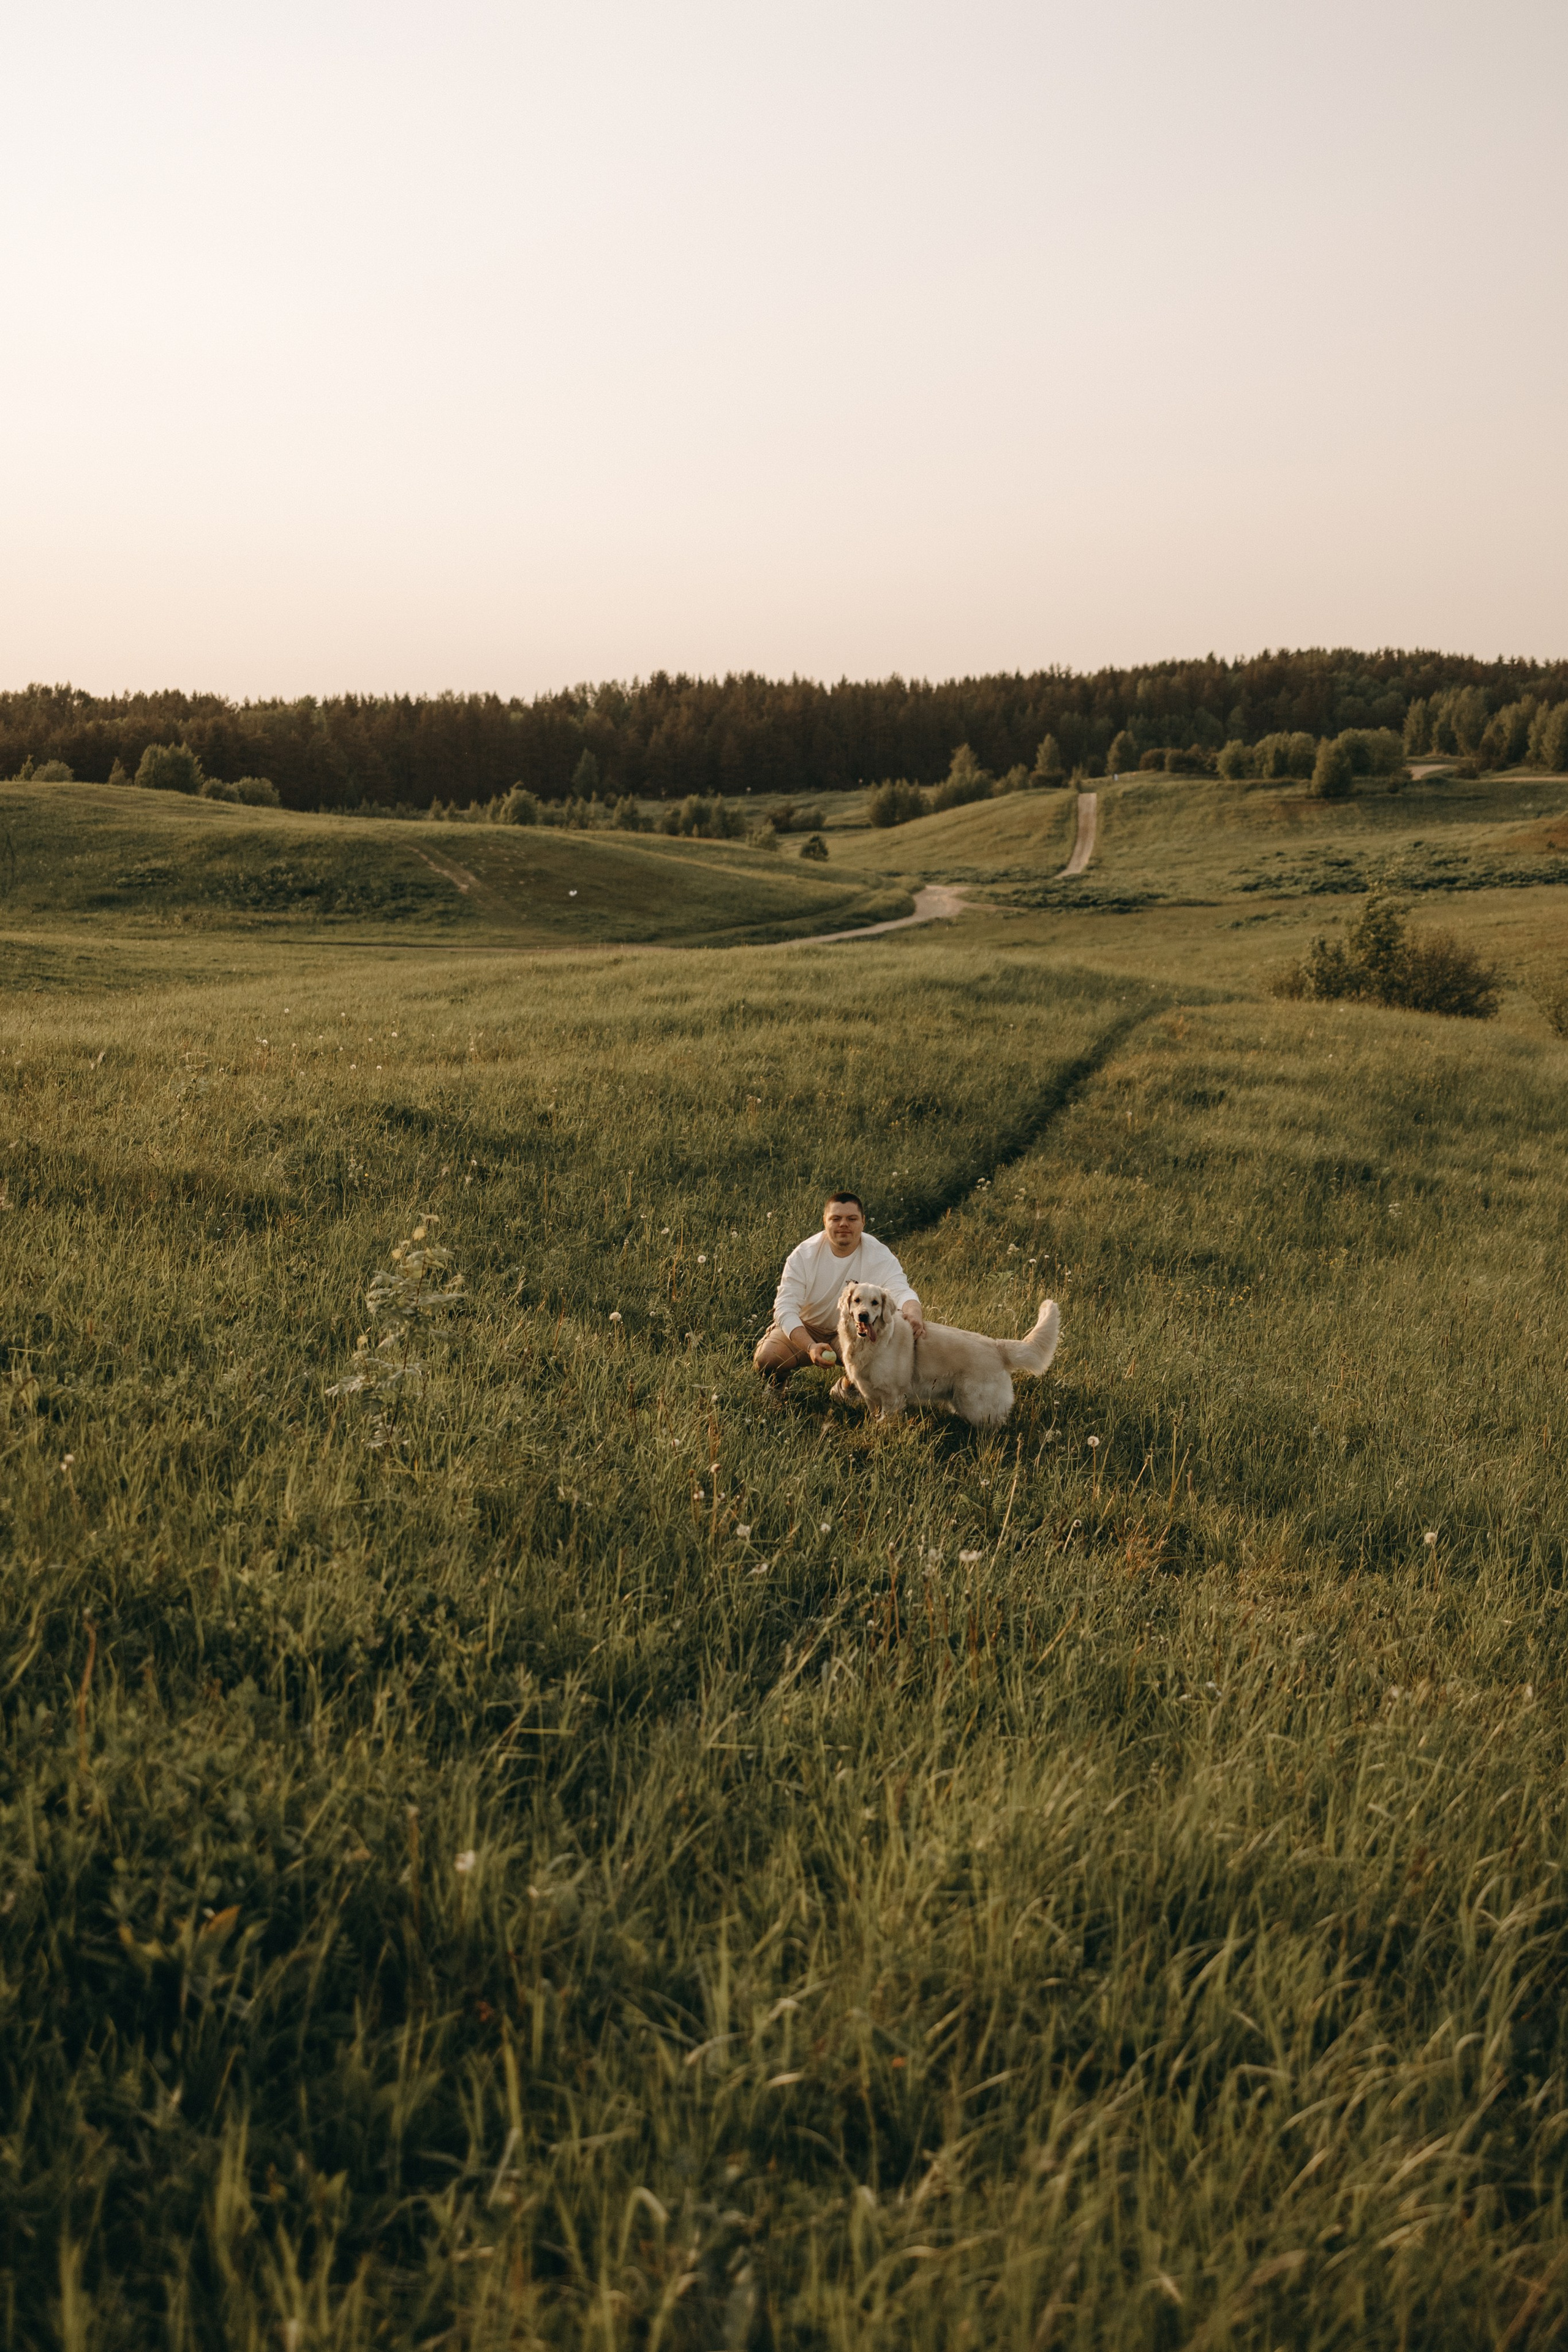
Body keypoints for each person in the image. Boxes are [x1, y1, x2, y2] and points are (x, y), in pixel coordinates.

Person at [754, 1191, 924, 1403]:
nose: (844, 1224)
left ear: (863, 1222)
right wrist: (810, 1346)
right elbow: (784, 1308)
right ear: (825, 1221)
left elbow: (900, 1290)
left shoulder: (879, 1254)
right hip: (807, 1327)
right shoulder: (803, 1255)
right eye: (836, 1218)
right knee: (768, 1357)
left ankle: (848, 1387)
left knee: (893, 1337)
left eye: (852, 1219)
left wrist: (914, 1313)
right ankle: (777, 1387)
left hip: (852, 1330)